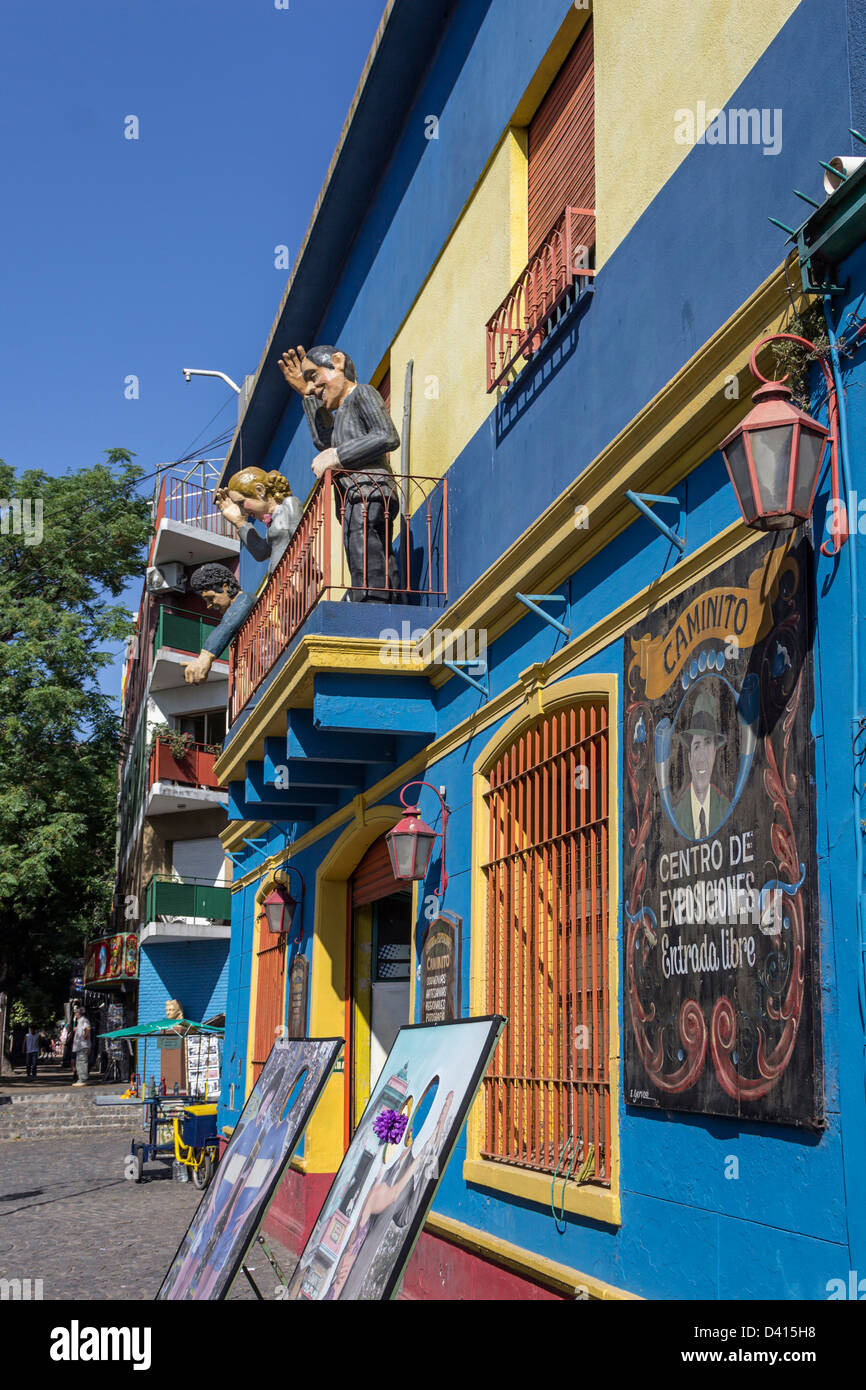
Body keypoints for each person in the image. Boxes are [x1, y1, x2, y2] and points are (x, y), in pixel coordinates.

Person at [278, 344, 403, 601]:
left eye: (313, 377)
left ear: (338, 362)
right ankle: (391, 598)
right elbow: (325, 442)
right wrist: (307, 397)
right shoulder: (342, 410)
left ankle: (371, 600)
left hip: (370, 488)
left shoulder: (362, 393)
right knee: (369, 548)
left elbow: (386, 435)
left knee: (362, 544)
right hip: (356, 494)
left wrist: (337, 456)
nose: (312, 387)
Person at [214, 467, 302, 577]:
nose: (242, 510)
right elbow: (261, 553)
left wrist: (305, 569)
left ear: (260, 490)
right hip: (282, 584)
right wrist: (240, 522)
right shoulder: (273, 522)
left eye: (241, 503)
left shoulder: (289, 503)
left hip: (296, 579)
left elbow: (300, 538)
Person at [182, 564, 255, 686]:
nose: (209, 605)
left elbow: (228, 624)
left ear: (225, 587)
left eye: (211, 598)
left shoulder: (245, 599)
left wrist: (205, 657)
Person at [673, 689, 731, 839]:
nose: (702, 757)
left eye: (707, 744)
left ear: (714, 753)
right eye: (697, 745)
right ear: (689, 758)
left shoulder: (726, 809)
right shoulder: (676, 816)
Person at [71, 1005, 91, 1086]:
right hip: (79, 1046)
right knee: (79, 1062)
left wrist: (85, 1035)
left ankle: (83, 1079)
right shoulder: (79, 1021)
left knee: (82, 1062)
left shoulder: (84, 1020)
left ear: (79, 1013)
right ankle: (80, 1078)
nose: (75, 1014)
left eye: (76, 1012)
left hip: (83, 1045)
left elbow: (88, 1028)